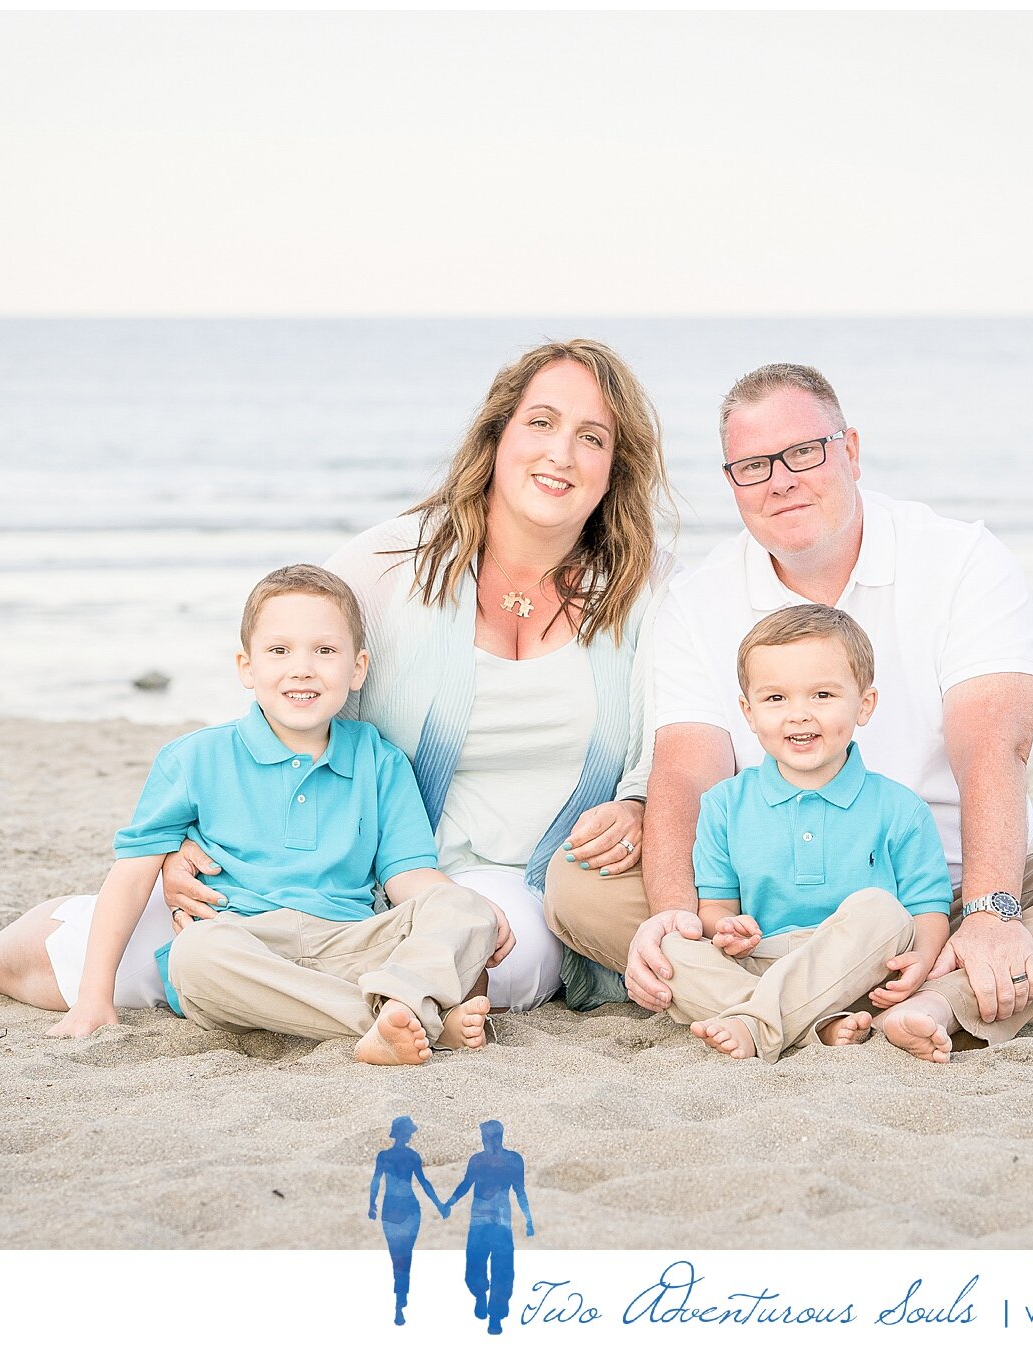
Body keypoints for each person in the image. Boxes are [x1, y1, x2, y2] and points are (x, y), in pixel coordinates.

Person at [546, 362, 1033, 1060]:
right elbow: (686, 777)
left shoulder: (959, 559)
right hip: (763, 909)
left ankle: (929, 995)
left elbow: (993, 749)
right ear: (732, 483)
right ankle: (862, 1009)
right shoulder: (699, 600)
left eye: (802, 453)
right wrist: (677, 914)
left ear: (849, 449)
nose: (780, 479)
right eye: (752, 466)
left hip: (946, 885)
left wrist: (990, 913)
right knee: (577, 887)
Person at [162, 340, 674, 1012]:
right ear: (497, 436)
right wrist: (187, 836)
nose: (561, 454)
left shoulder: (648, 589)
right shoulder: (388, 561)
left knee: (480, 954)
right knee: (113, 943)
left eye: (592, 437)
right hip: (361, 873)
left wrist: (637, 804)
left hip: (524, 890)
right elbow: (290, 686)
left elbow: (683, 732)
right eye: (541, 423)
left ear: (614, 468)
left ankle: (364, 1014)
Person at [0, 565, 504, 1067]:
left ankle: (398, 1011)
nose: (301, 669)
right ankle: (402, 1021)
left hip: (350, 942)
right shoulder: (195, 758)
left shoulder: (378, 761)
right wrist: (94, 998)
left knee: (467, 907)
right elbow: (130, 879)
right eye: (279, 651)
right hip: (245, 943)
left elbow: (411, 880)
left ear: (357, 668)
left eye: (324, 652)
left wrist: (468, 917)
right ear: (246, 666)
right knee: (193, 956)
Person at [669, 604, 954, 1062]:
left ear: (864, 704)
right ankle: (810, 1026)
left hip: (860, 968)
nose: (798, 715)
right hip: (761, 961)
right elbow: (716, 908)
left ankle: (756, 1024)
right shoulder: (724, 804)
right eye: (776, 699)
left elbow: (926, 906)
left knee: (883, 910)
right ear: (748, 711)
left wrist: (921, 957)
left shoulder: (900, 807)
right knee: (670, 950)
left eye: (822, 695)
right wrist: (726, 929)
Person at [443, 1120, 533, 1335]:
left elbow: (520, 1191)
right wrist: (450, 1201)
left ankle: (495, 1317)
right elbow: (466, 1184)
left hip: (499, 1222)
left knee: (502, 1270)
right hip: (481, 1221)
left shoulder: (513, 1160)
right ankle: (481, 1295)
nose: (484, 1140)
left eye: (486, 1137)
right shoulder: (478, 1161)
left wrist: (529, 1219)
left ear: (495, 1137)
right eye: (483, 1137)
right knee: (476, 1265)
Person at [368, 1116, 445, 1326]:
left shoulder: (387, 1156)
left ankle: (400, 1299)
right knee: (403, 1255)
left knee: (398, 1255)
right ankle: (400, 1298)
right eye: (409, 1131)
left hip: (394, 1207)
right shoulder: (410, 1156)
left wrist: (371, 1204)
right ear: (405, 1133)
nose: (410, 1135)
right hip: (405, 1207)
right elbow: (424, 1183)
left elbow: (377, 1181)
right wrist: (439, 1205)